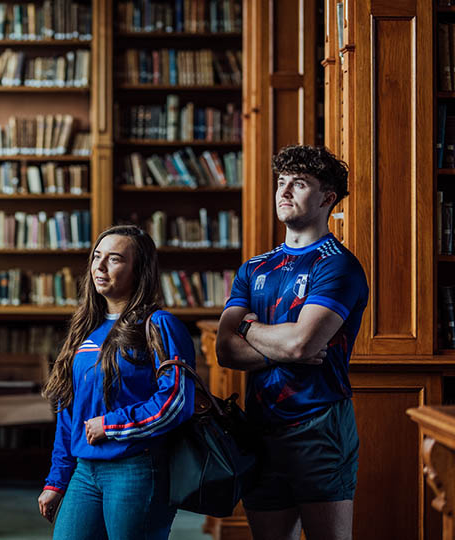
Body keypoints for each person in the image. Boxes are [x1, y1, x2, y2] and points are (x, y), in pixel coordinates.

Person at [216, 145, 368, 540]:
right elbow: (224, 349)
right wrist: (281, 344)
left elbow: (302, 344)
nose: (284, 191)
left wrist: (249, 329)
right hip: (259, 428)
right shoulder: (254, 267)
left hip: (318, 423)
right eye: (281, 182)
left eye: (299, 184)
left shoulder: (338, 264)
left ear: (326, 198)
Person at [36, 224, 195, 540]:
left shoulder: (159, 326)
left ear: (139, 270)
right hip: (85, 471)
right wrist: (57, 480)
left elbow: (176, 401)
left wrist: (110, 425)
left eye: (115, 259)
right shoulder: (85, 330)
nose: (100, 266)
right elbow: (69, 411)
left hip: (135, 468)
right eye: (97, 257)